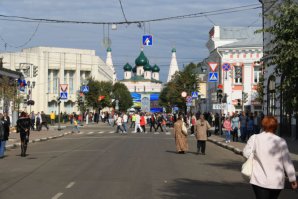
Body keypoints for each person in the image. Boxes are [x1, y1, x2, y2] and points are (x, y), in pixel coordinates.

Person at [243, 116, 297, 199]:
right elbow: (287, 162)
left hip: (259, 180)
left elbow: (246, 153)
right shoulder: (281, 141)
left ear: (263, 125)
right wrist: (292, 179)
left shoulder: (255, 138)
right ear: (276, 127)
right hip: (276, 182)